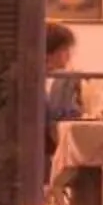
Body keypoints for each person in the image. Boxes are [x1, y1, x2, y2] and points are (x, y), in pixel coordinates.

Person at [41, 23, 83, 158]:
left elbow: (74, 114)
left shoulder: (68, 80)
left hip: (60, 146)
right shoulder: (31, 80)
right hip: (43, 150)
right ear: (49, 52)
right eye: (65, 50)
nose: (69, 55)